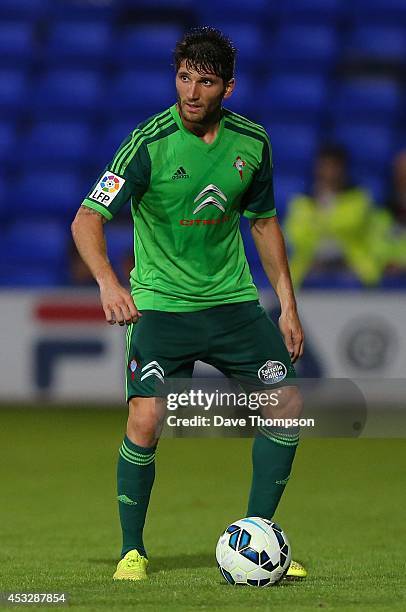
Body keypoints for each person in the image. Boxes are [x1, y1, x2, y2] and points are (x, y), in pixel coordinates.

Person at [71, 27, 306, 581]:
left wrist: (288, 306)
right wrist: (108, 282)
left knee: (289, 405)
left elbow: (265, 223)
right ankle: (133, 551)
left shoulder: (253, 143)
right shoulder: (148, 144)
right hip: (160, 307)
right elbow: (87, 218)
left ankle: (256, 541)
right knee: (147, 417)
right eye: (184, 77)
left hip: (232, 305)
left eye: (205, 81)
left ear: (228, 87)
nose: (192, 92)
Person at [285, 145, 392, 287]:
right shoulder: (302, 202)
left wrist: (320, 217)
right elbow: (296, 236)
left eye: (335, 166)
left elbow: (352, 224)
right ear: (317, 168)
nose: (330, 172)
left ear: (344, 169)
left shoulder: (360, 198)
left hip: (354, 268)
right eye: (325, 166)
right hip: (309, 269)